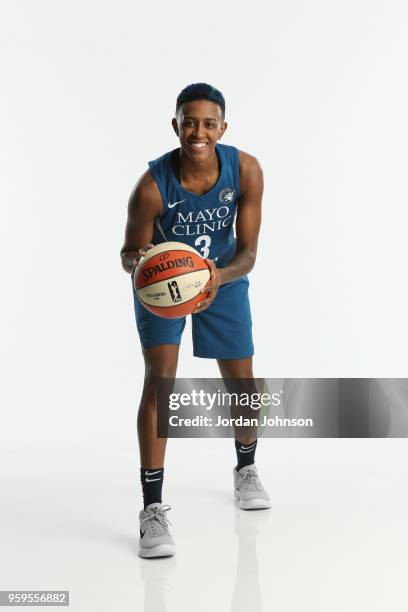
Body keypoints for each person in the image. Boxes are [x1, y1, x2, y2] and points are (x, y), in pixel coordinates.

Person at [120, 83, 271, 558]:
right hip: (164, 290)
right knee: (160, 383)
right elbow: (127, 254)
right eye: (189, 122)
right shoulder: (151, 187)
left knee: (243, 384)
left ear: (222, 127)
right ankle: (152, 510)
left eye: (208, 123)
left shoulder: (244, 169)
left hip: (221, 279)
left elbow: (248, 254)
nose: (198, 132)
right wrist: (142, 260)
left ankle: (245, 467)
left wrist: (215, 278)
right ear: (176, 125)